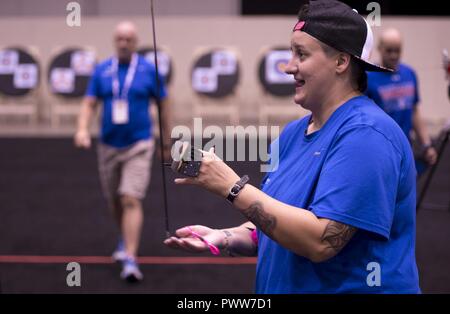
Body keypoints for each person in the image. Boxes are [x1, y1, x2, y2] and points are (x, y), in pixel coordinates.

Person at [164, 0, 420, 293]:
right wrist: (224, 236)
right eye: (291, 52)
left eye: (301, 54)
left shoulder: (367, 135)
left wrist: (231, 187)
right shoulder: (292, 135)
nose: (288, 66)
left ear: (340, 61)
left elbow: (322, 240)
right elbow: (278, 224)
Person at [74, 21, 171, 282]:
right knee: (114, 201)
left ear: (136, 42)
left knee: (130, 197)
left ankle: (130, 257)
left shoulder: (150, 70)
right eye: (120, 39)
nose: (124, 43)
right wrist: (82, 128)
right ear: (114, 41)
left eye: (129, 39)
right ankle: (124, 238)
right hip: (107, 145)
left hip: (139, 144)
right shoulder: (102, 70)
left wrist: (166, 142)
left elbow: (164, 104)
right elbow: (89, 103)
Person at [366, 28, 437, 172]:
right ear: (380, 48)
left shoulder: (409, 74)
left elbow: (414, 111)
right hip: (379, 152)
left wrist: (426, 145)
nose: (394, 55)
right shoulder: (368, 77)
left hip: (405, 149)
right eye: (389, 50)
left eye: (397, 50)